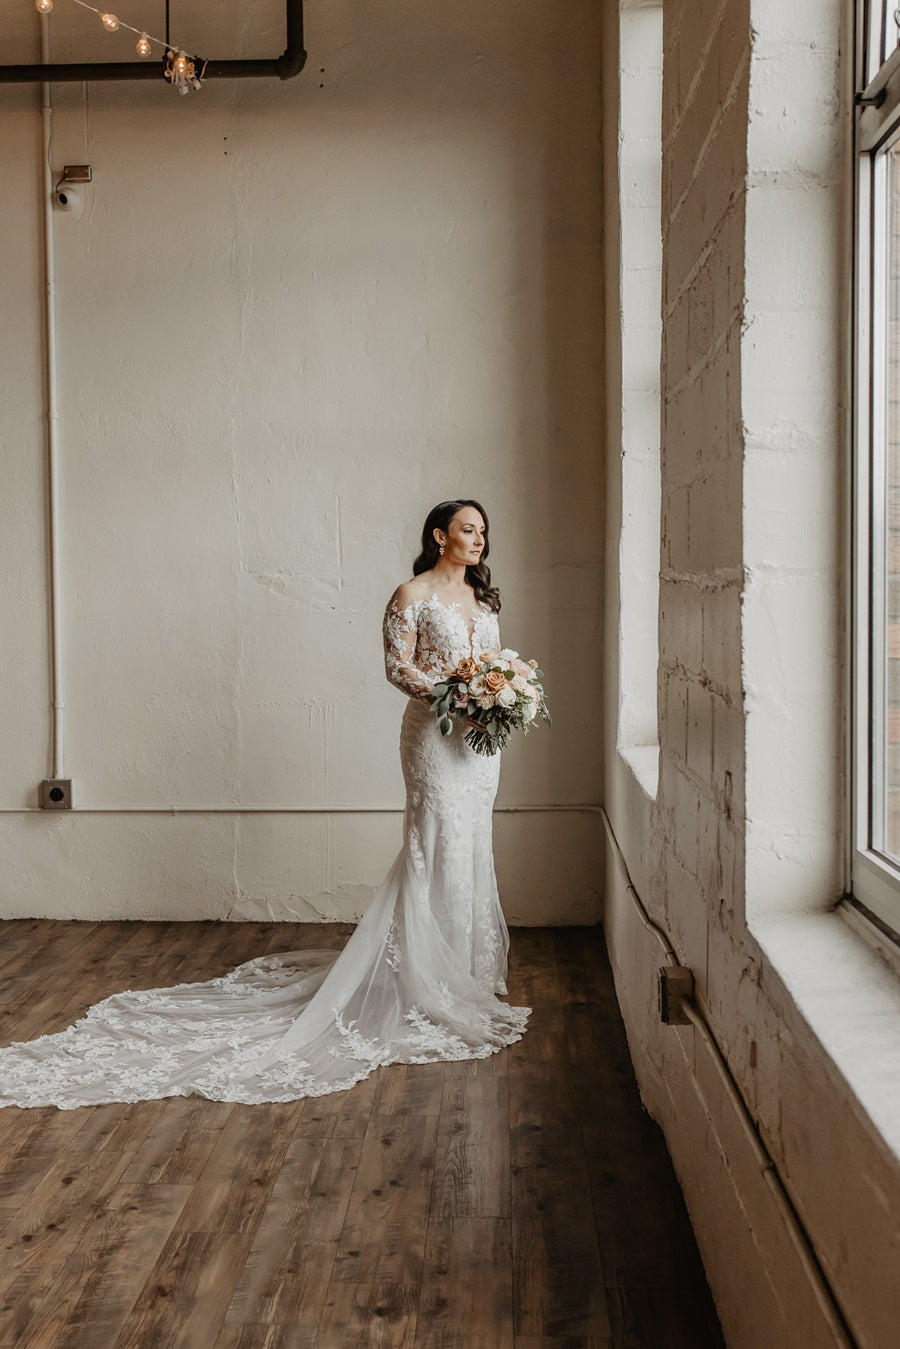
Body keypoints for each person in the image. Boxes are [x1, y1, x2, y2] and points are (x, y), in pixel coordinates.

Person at [0, 499, 529, 1109]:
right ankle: (422, 978)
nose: (479, 539)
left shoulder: (486, 600)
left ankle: (466, 972)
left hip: (481, 745)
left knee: (471, 842)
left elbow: (496, 664)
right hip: (434, 738)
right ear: (440, 536)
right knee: (433, 841)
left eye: (484, 531)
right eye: (468, 529)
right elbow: (396, 667)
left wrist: (497, 696)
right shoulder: (409, 595)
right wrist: (451, 695)